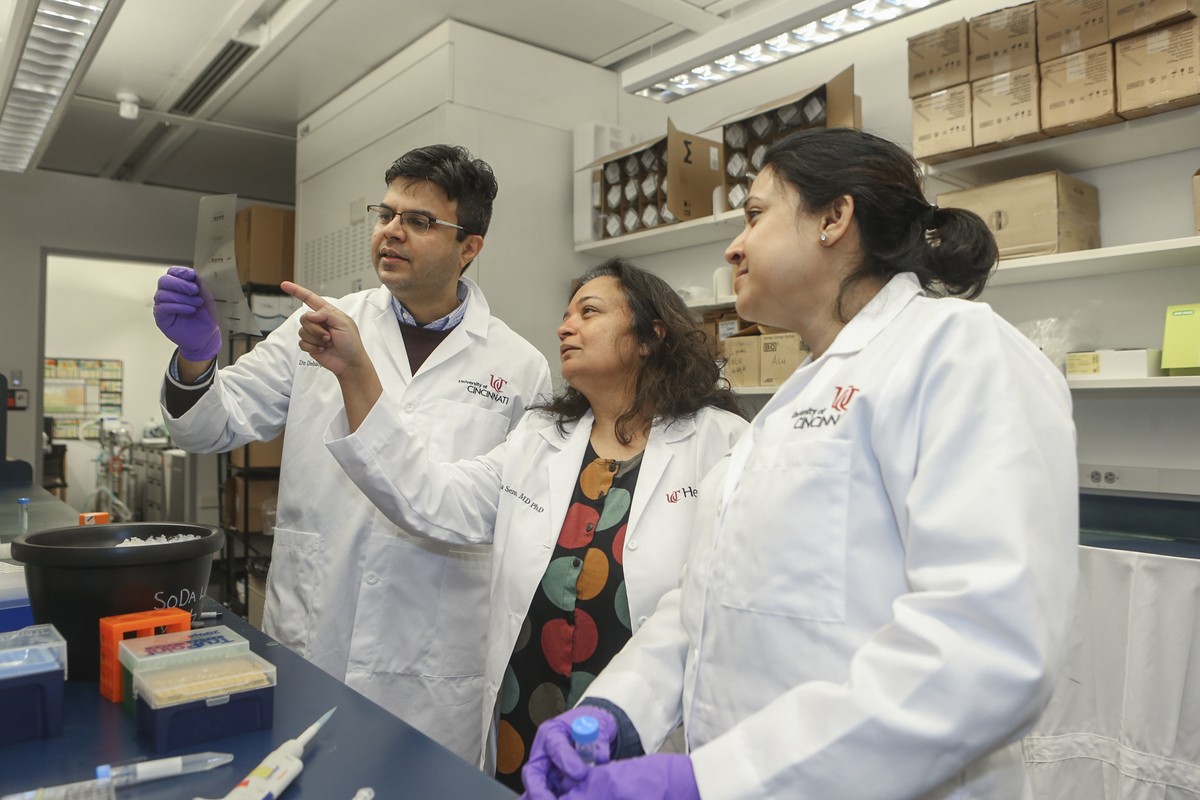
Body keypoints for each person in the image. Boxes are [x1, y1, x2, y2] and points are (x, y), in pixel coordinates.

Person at [521, 128, 1080, 800]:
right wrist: (617, 711)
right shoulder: (795, 401)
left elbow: (986, 651)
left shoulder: (958, 351)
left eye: (755, 215)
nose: (734, 245)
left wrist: (714, 780)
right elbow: (705, 606)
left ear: (834, 218)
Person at [280, 257, 749, 789]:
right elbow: (430, 496)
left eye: (589, 312)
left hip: (644, 727)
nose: (564, 326)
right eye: (566, 313)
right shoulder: (541, 438)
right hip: (526, 714)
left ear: (650, 336)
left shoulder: (719, 442)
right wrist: (357, 372)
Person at [151, 144, 553, 762]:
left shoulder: (519, 367)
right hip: (318, 631)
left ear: (468, 247)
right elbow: (211, 427)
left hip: (433, 659)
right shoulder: (317, 326)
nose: (392, 231)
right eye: (386, 213)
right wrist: (198, 357)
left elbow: (509, 512)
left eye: (419, 221)